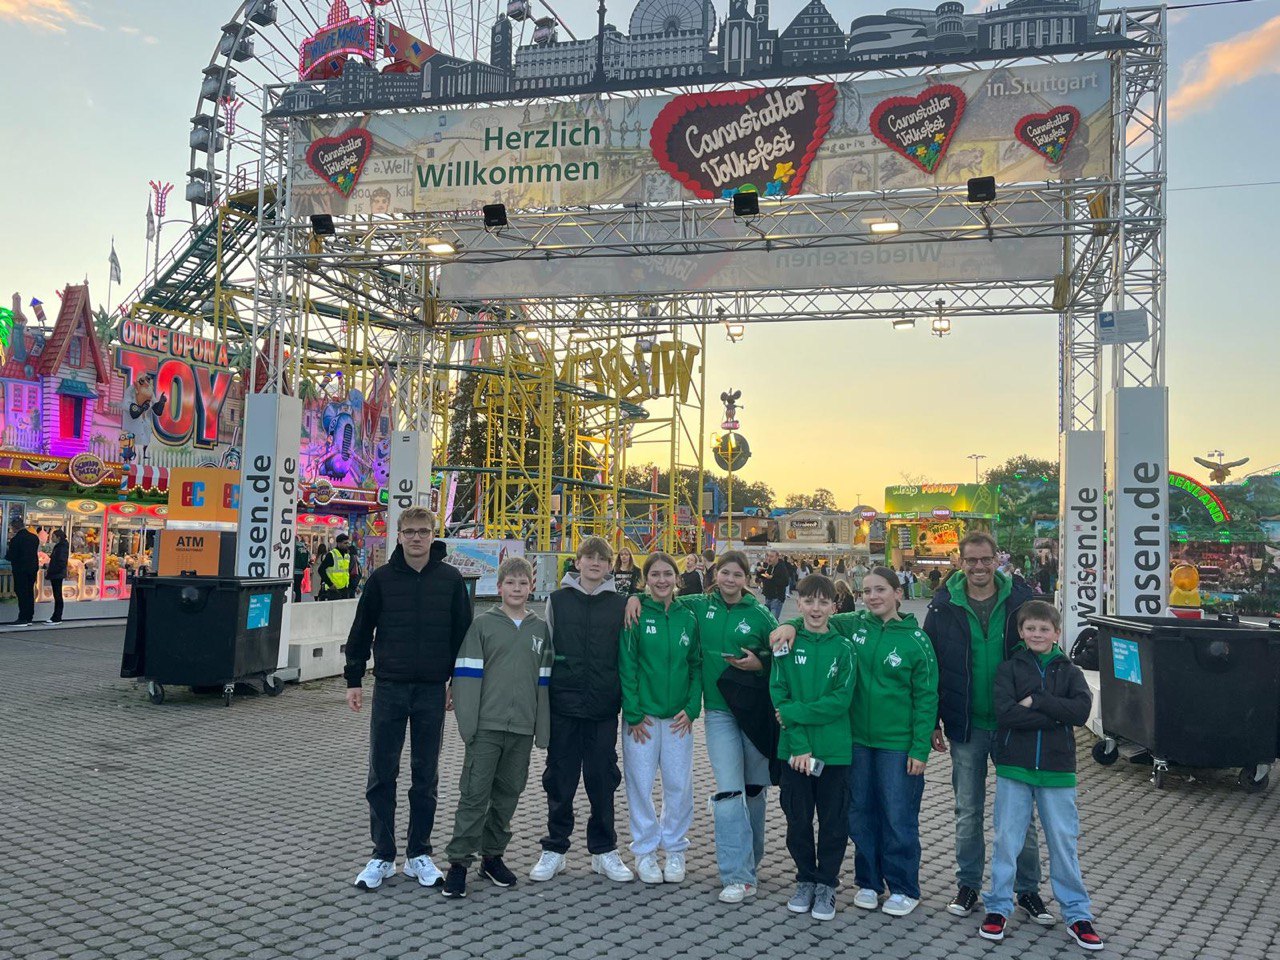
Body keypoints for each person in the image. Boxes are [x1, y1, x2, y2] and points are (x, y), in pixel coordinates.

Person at [771, 567, 939, 918]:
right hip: (856, 741)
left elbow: (926, 697)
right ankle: (869, 882)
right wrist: (788, 626)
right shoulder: (854, 625)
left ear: (898, 593)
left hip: (896, 743)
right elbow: (815, 617)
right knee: (859, 812)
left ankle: (903, 887)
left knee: (897, 814)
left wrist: (920, 747)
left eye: (881, 590)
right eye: (867, 591)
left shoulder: (916, 640)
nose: (873, 597)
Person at [629, 550, 778, 903]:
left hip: (754, 712)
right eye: (725, 573)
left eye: (737, 575)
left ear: (746, 579)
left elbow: (783, 653)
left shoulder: (760, 614)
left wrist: (761, 662)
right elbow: (662, 597)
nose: (730, 580)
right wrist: (633, 598)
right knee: (729, 791)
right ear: (715, 575)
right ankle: (737, 875)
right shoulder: (697, 605)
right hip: (719, 712)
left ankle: (751, 859)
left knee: (754, 790)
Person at [346, 507, 473, 891]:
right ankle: (383, 856)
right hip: (389, 688)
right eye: (409, 532)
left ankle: (419, 854)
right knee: (381, 774)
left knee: (425, 776)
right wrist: (354, 679)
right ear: (399, 536)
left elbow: (463, 635)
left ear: (434, 535)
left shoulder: (451, 580)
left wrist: (458, 682)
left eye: (423, 531)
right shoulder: (382, 579)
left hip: (432, 690)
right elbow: (361, 629)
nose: (416, 538)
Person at [924, 531, 1047, 920]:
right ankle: (968, 886)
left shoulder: (1021, 602)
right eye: (971, 560)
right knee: (968, 810)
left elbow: (1045, 653)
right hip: (967, 725)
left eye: (985, 559)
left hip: (1014, 725)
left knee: (1021, 813)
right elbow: (930, 667)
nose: (979, 567)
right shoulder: (943, 607)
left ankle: (1027, 890)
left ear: (997, 560)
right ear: (960, 562)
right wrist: (932, 721)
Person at [980, 601, 1104, 952]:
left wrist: (1037, 700)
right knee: (1007, 841)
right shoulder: (1009, 669)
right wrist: (1056, 715)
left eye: (1044, 629)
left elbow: (1080, 712)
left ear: (1056, 633)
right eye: (1030, 628)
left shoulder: (1070, 671)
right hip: (1015, 767)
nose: (1037, 634)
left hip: (1057, 771)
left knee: (1064, 843)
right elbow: (1006, 714)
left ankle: (1077, 914)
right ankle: (997, 907)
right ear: (1021, 632)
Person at [441, 557, 553, 899]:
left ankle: (492, 857)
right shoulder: (482, 626)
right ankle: (459, 863)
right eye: (510, 583)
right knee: (474, 795)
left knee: (507, 796)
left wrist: (542, 729)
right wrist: (469, 725)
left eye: (523, 583)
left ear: (531, 587)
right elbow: (466, 675)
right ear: (500, 587)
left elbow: (545, 682)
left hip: (521, 728)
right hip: (486, 728)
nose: (517, 589)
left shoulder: (540, 630)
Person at [530, 536, 633, 883]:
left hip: (603, 705)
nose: (595, 562)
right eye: (589, 557)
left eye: (602, 558)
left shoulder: (620, 604)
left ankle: (604, 850)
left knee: (602, 778)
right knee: (560, 779)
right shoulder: (557, 601)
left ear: (610, 566)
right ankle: (555, 849)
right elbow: (545, 650)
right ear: (577, 562)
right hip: (564, 702)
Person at [769, 574, 855, 922]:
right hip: (794, 751)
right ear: (798, 603)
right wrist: (800, 745)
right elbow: (779, 694)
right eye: (809, 601)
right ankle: (805, 879)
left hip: (834, 752)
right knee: (798, 820)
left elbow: (840, 701)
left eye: (824, 602)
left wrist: (794, 713)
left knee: (834, 822)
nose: (816, 608)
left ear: (835, 606)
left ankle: (827, 884)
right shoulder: (785, 644)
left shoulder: (844, 648)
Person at [619, 552, 701, 884]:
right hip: (643, 719)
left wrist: (692, 708)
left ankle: (675, 849)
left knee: (679, 785)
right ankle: (645, 851)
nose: (662, 580)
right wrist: (633, 712)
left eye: (668, 574)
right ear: (646, 579)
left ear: (677, 579)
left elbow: (695, 665)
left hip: (679, 718)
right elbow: (627, 664)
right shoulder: (636, 613)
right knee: (640, 785)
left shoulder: (688, 617)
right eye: (655, 574)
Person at [6, 517, 39, 626]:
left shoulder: (16, 540)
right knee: (29, 592)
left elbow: (11, 556)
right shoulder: (34, 538)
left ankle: (22, 617)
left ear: (14, 527)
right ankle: (29, 617)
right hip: (32, 568)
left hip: (20, 569)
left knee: (21, 592)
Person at [43, 529, 69, 625]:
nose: (52, 538)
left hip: (57, 574)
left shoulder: (61, 547)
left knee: (57, 595)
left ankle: (57, 617)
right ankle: (56, 617)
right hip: (57, 573)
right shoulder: (61, 546)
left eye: (53, 536)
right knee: (57, 595)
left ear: (58, 537)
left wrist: (53, 569)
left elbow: (61, 561)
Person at [321, 534, 355, 600]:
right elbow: (321, 570)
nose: (347, 545)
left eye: (348, 543)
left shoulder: (347, 556)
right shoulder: (331, 555)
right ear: (339, 543)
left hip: (345, 589)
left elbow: (347, 572)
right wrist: (330, 584)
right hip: (333, 590)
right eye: (345, 543)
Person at [758, 550, 790, 619]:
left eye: (771, 556)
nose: (769, 558)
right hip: (768, 596)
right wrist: (760, 572)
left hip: (776, 598)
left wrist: (772, 578)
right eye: (768, 556)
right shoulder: (769, 566)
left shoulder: (781, 568)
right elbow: (764, 577)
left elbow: (786, 582)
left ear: (777, 557)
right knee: (767, 619)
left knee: (773, 619)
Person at [293, 539, 311, 603]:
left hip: (293, 571)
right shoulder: (304, 548)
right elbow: (308, 558)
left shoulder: (294, 547)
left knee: (292, 588)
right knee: (298, 589)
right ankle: (298, 602)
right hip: (301, 572)